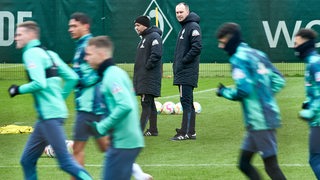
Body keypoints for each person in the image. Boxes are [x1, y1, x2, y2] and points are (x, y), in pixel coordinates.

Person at [9, 21, 92, 180]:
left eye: (19, 34)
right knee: (27, 161)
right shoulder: (49, 54)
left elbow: (39, 83)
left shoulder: (30, 53)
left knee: (65, 162)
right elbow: (72, 78)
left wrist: (17, 89)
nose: (15, 38)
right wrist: (59, 99)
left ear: (30, 35)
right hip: (48, 117)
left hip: (49, 117)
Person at [215, 22, 286, 180]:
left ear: (230, 39)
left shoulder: (237, 59)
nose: (221, 46)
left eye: (222, 42)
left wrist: (223, 91)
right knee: (244, 164)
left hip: (259, 119)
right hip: (266, 115)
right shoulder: (258, 54)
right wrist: (264, 95)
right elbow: (279, 80)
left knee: (271, 166)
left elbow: (243, 90)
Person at [84, 36, 145, 180]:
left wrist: (102, 127)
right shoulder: (114, 73)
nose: (86, 58)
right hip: (124, 141)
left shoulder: (112, 76)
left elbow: (125, 105)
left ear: (101, 54)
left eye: (89, 54)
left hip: (124, 143)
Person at [68, 12, 110, 171]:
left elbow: (98, 71)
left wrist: (78, 80)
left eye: (74, 26)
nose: (70, 29)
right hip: (91, 105)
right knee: (105, 146)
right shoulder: (81, 44)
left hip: (89, 106)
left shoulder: (89, 45)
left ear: (85, 26)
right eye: (69, 26)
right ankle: (136, 171)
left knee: (78, 149)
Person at [171, 2, 202, 141]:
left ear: (187, 12)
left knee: (186, 102)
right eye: (177, 12)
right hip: (182, 72)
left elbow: (197, 47)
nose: (178, 14)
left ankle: (184, 132)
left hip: (187, 72)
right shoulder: (184, 27)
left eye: (181, 12)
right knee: (188, 102)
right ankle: (191, 131)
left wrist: (183, 61)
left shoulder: (193, 26)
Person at [294, 28, 320, 179]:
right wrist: (307, 102)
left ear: (305, 42)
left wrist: (311, 111)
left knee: (315, 159)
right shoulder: (313, 61)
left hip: (318, 120)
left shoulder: (314, 62)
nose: (294, 47)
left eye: (296, 43)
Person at [133, 15, 163, 136]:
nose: (136, 28)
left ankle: (138, 132)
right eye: (135, 26)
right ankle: (153, 129)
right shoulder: (144, 38)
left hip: (148, 77)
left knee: (146, 104)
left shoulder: (154, 37)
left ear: (145, 25)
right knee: (149, 104)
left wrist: (146, 68)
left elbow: (156, 54)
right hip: (143, 77)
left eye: (138, 25)